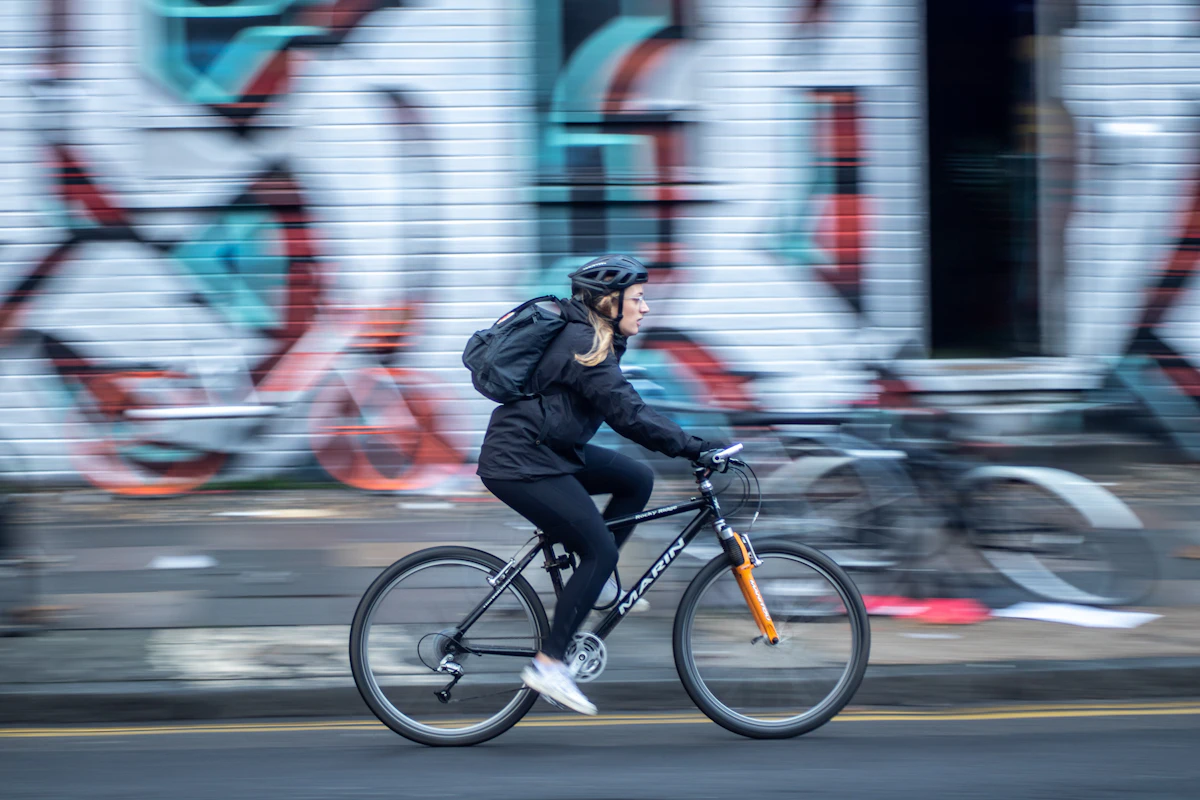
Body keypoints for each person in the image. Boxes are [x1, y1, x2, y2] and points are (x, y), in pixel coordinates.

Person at [476, 254, 721, 715]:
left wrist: (690, 443)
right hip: (522, 461)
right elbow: (628, 413)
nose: (645, 308)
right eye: (638, 298)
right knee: (599, 548)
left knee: (635, 477)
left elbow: (626, 409)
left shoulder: (594, 338)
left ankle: (600, 583)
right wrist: (693, 447)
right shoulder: (585, 343)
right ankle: (549, 665)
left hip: (547, 448)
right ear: (610, 302)